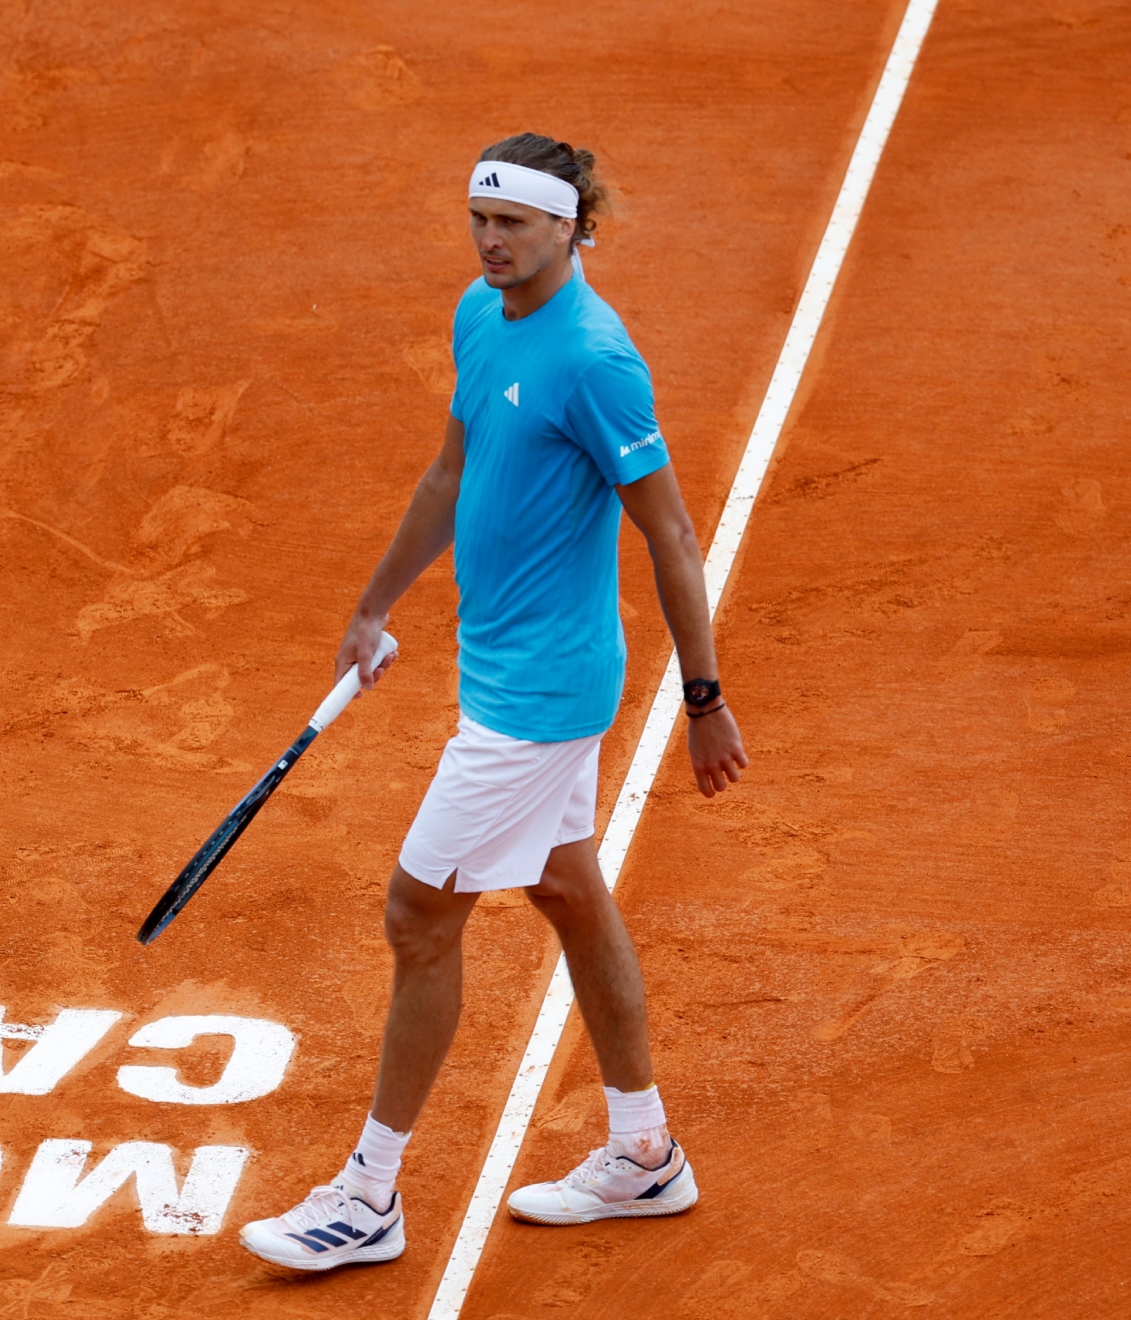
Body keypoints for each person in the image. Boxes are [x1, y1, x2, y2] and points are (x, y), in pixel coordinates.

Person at [239, 133, 750, 1272]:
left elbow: (668, 530)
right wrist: (374, 606)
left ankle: (369, 1195)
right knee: (567, 889)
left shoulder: (595, 358)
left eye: (512, 222)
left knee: (421, 915)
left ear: (571, 227)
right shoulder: (481, 314)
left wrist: (704, 697)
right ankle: (645, 1153)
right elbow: (448, 472)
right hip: (499, 668)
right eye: (480, 217)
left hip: (543, 697)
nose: (490, 240)